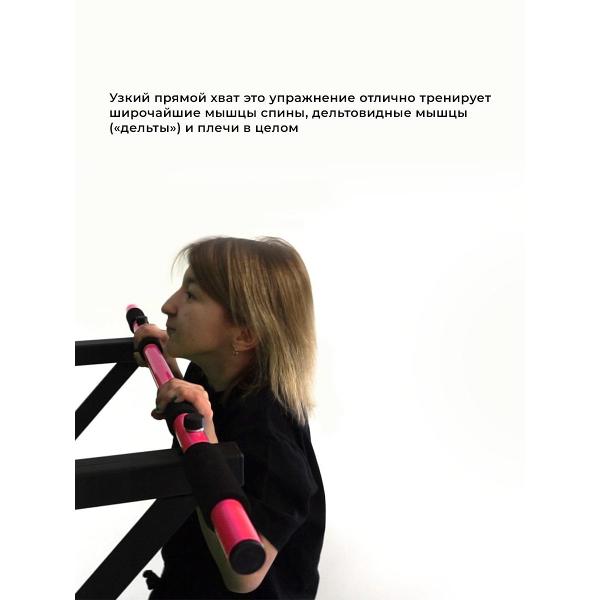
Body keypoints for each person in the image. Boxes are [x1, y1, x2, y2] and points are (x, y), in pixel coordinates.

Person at [133, 236, 325, 599]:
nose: (168, 305)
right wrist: (169, 361)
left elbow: (244, 576)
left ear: (246, 333)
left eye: (191, 295)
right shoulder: (212, 374)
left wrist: (204, 433)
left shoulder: (270, 435)